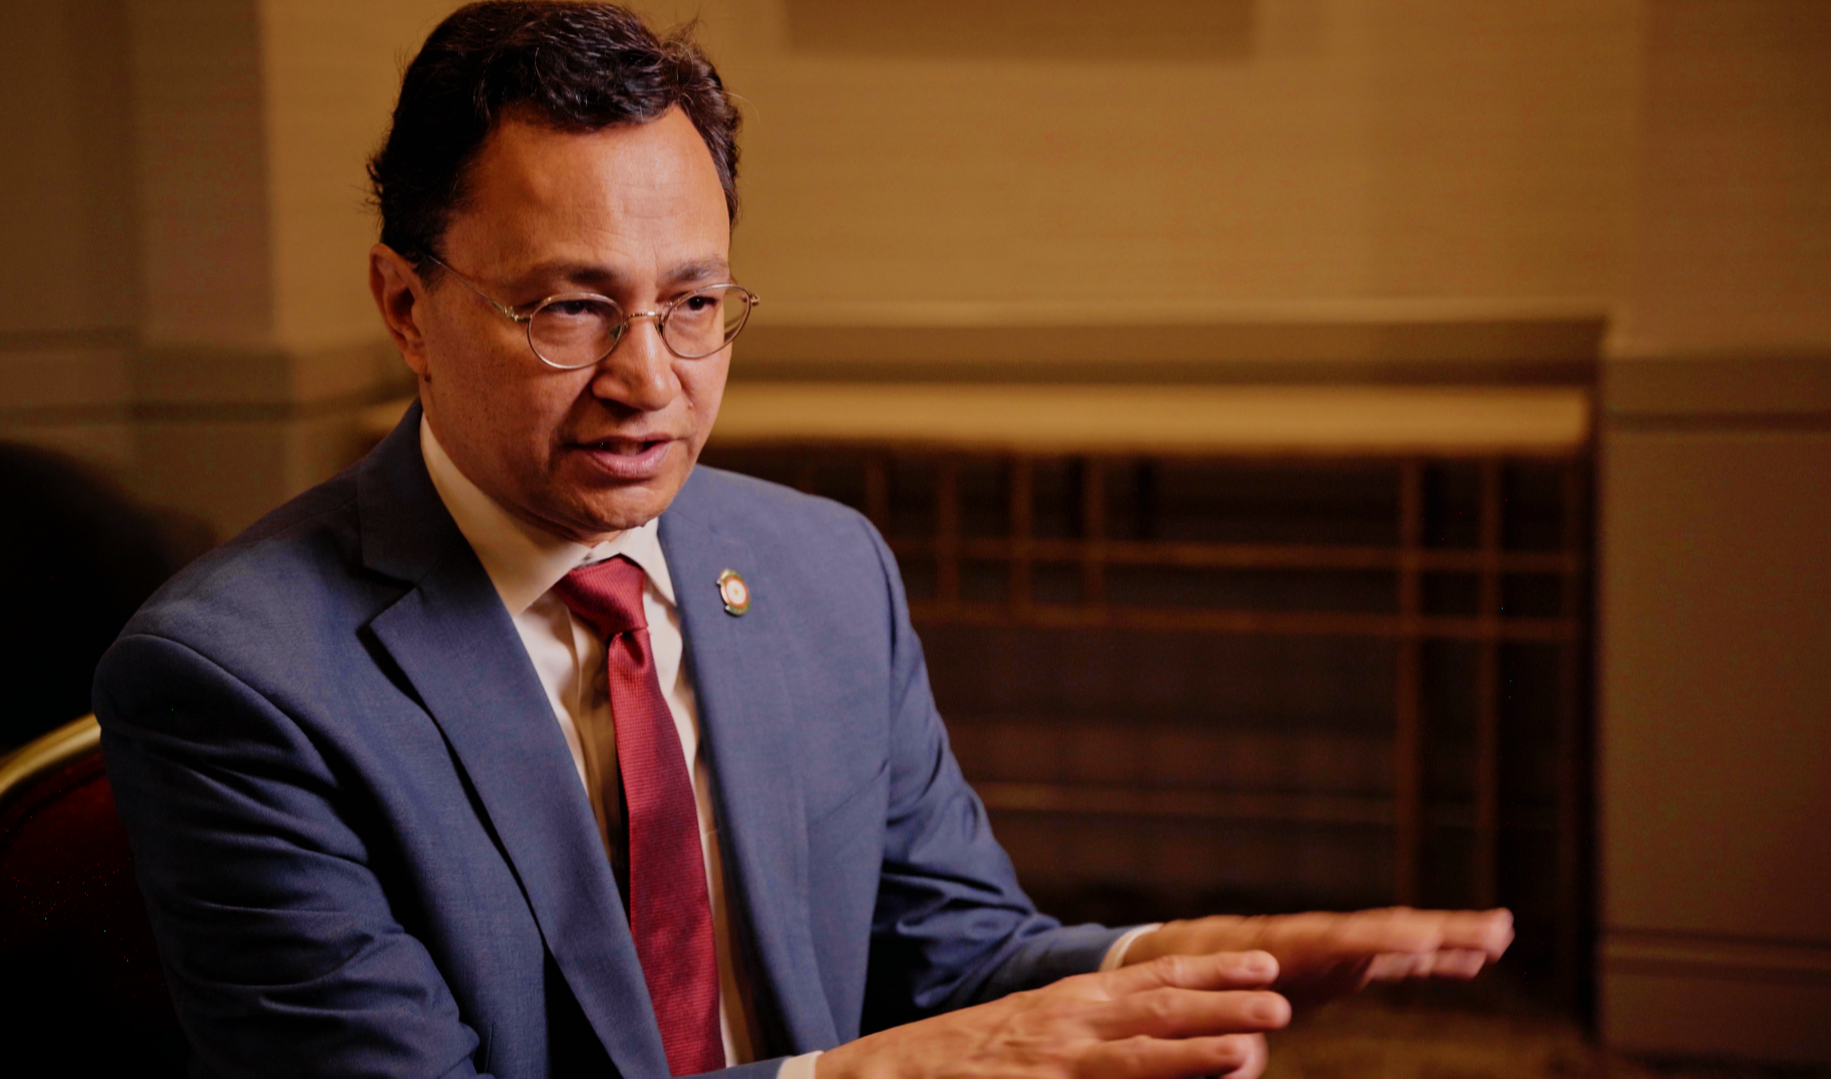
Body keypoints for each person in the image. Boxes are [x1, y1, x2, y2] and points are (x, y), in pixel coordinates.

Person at [93, 4, 1513, 1078]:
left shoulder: (824, 567)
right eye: (568, 308)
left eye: (694, 304)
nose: (649, 378)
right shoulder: (236, 677)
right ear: (404, 305)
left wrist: (1187, 959)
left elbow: (954, 961)